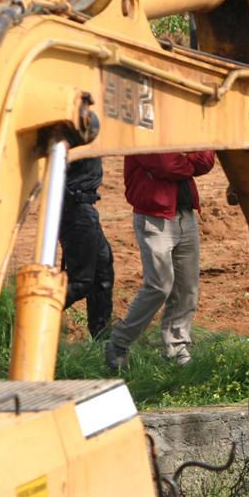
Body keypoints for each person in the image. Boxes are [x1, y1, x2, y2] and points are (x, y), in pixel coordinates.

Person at [105, 150, 216, 371]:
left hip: (185, 215)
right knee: (159, 286)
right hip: (154, 218)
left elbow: (206, 160)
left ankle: (176, 349)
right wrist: (187, 160)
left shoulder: (182, 127)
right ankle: (119, 342)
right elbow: (166, 164)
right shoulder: (145, 128)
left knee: (187, 288)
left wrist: (186, 160)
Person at [59, 157, 114, 340]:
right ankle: (23, 316)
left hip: (82, 205)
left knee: (102, 272)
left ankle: (102, 341)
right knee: (81, 281)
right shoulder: (73, 132)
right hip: (75, 206)